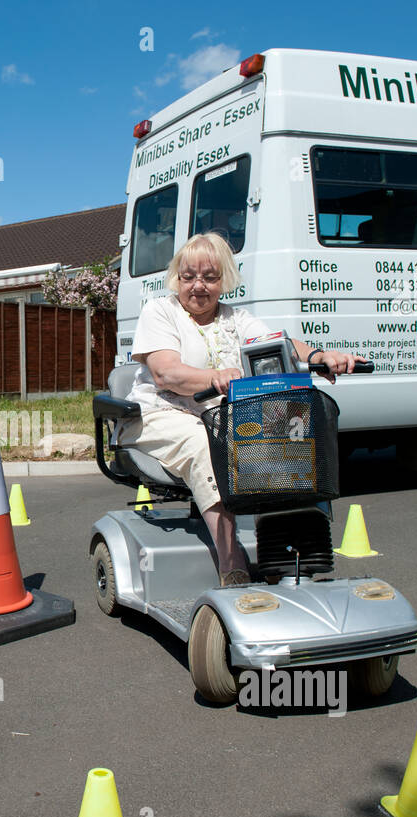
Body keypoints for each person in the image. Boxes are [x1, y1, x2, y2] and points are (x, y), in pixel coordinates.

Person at [119, 233, 364, 586]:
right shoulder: (160, 312)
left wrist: (320, 356)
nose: (198, 286)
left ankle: (292, 549)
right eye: (188, 277)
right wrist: (215, 375)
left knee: (287, 434)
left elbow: (279, 344)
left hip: (220, 416)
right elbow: (166, 372)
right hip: (161, 415)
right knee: (204, 443)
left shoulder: (235, 318)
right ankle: (230, 561)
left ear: (225, 280)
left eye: (209, 277)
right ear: (177, 278)